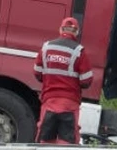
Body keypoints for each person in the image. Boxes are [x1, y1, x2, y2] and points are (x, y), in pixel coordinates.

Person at [33, 17, 93, 145]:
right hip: (69, 104)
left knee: (44, 141)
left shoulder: (46, 47)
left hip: (49, 101)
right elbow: (86, 82)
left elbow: (37, 74)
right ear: (76, 32)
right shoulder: (79, 51)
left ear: (60, 29)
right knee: (67, 144)